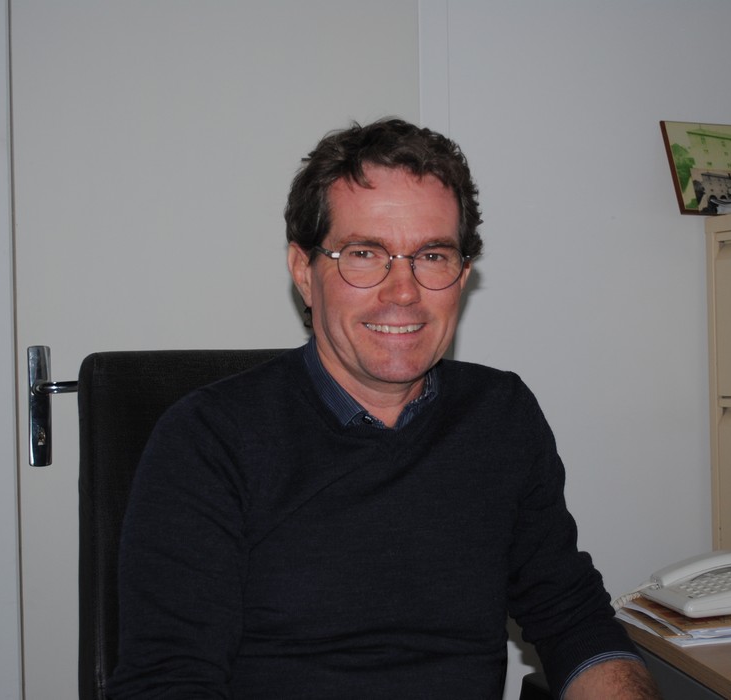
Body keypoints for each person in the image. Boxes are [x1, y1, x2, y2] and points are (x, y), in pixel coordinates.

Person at [108, 118, 659, 699]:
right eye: (365, 253)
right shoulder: (208, 439)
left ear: (462, 276)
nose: (403, 292)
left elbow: (573, 620)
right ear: (303, 272)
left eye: (432, 255)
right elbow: (168, 681)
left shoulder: (501, 416)